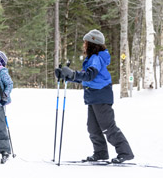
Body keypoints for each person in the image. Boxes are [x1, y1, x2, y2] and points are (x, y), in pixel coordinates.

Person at [55, 29, 134, 163]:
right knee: (92, 127)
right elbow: (85, 78)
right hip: (93, 96)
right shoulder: (91, 59)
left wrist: (73, 74)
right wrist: (66, 75)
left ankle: (125, 152)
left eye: (86, 43)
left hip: (101, 95)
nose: (84, 45)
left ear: (92, 44)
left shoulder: (96, 58)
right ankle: (101, 152)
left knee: (108, 126)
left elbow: (90, 75)